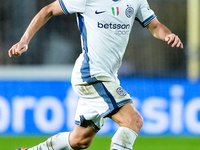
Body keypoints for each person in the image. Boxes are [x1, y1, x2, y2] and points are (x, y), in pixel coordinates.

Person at [8, 0, 183, 149]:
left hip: (108, 76)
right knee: (133, 120)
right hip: (91, 74)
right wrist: (24, 40)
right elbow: (48, 10)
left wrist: (168, 35)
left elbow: (153, 25)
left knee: (80, 141)